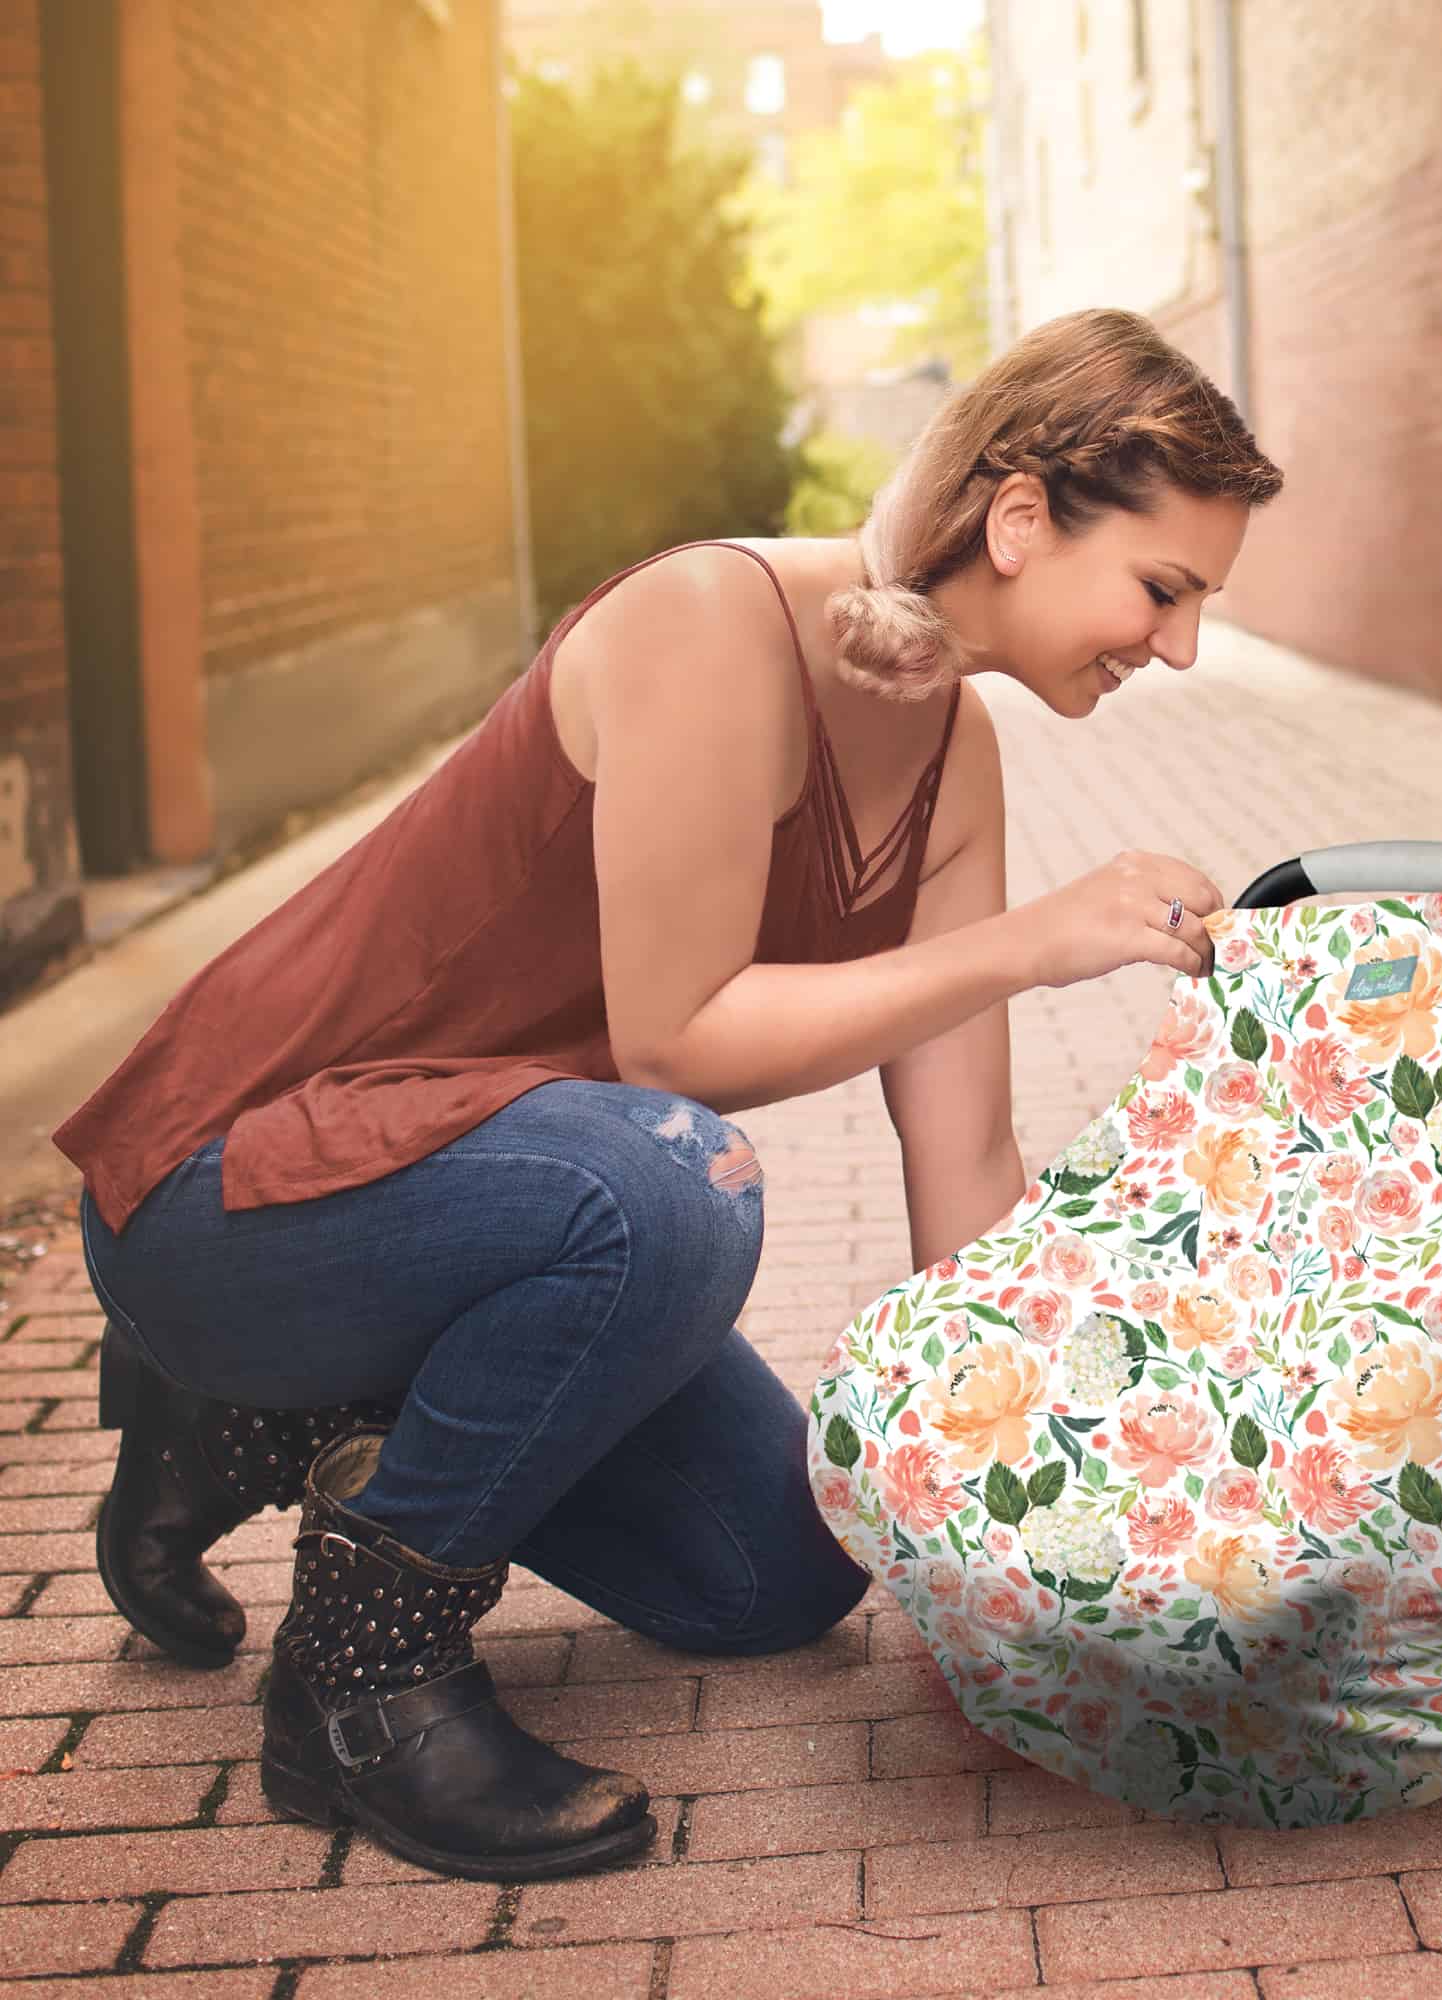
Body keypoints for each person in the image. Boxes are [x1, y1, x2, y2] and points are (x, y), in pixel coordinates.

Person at [55, 306, 1286, 1882]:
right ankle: (361, 1683)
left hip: (470, 1200)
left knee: (778, 1579)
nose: (1174, 646)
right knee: (674, 1185)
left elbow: (965, 1153)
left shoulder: (953, 756)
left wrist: (1032, 1501)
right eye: (1164, 589)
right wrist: (1033, 943)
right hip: (228, 1190)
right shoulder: (716, 622)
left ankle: (237, 1427)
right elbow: (679, 1042)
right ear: (1024, 516)